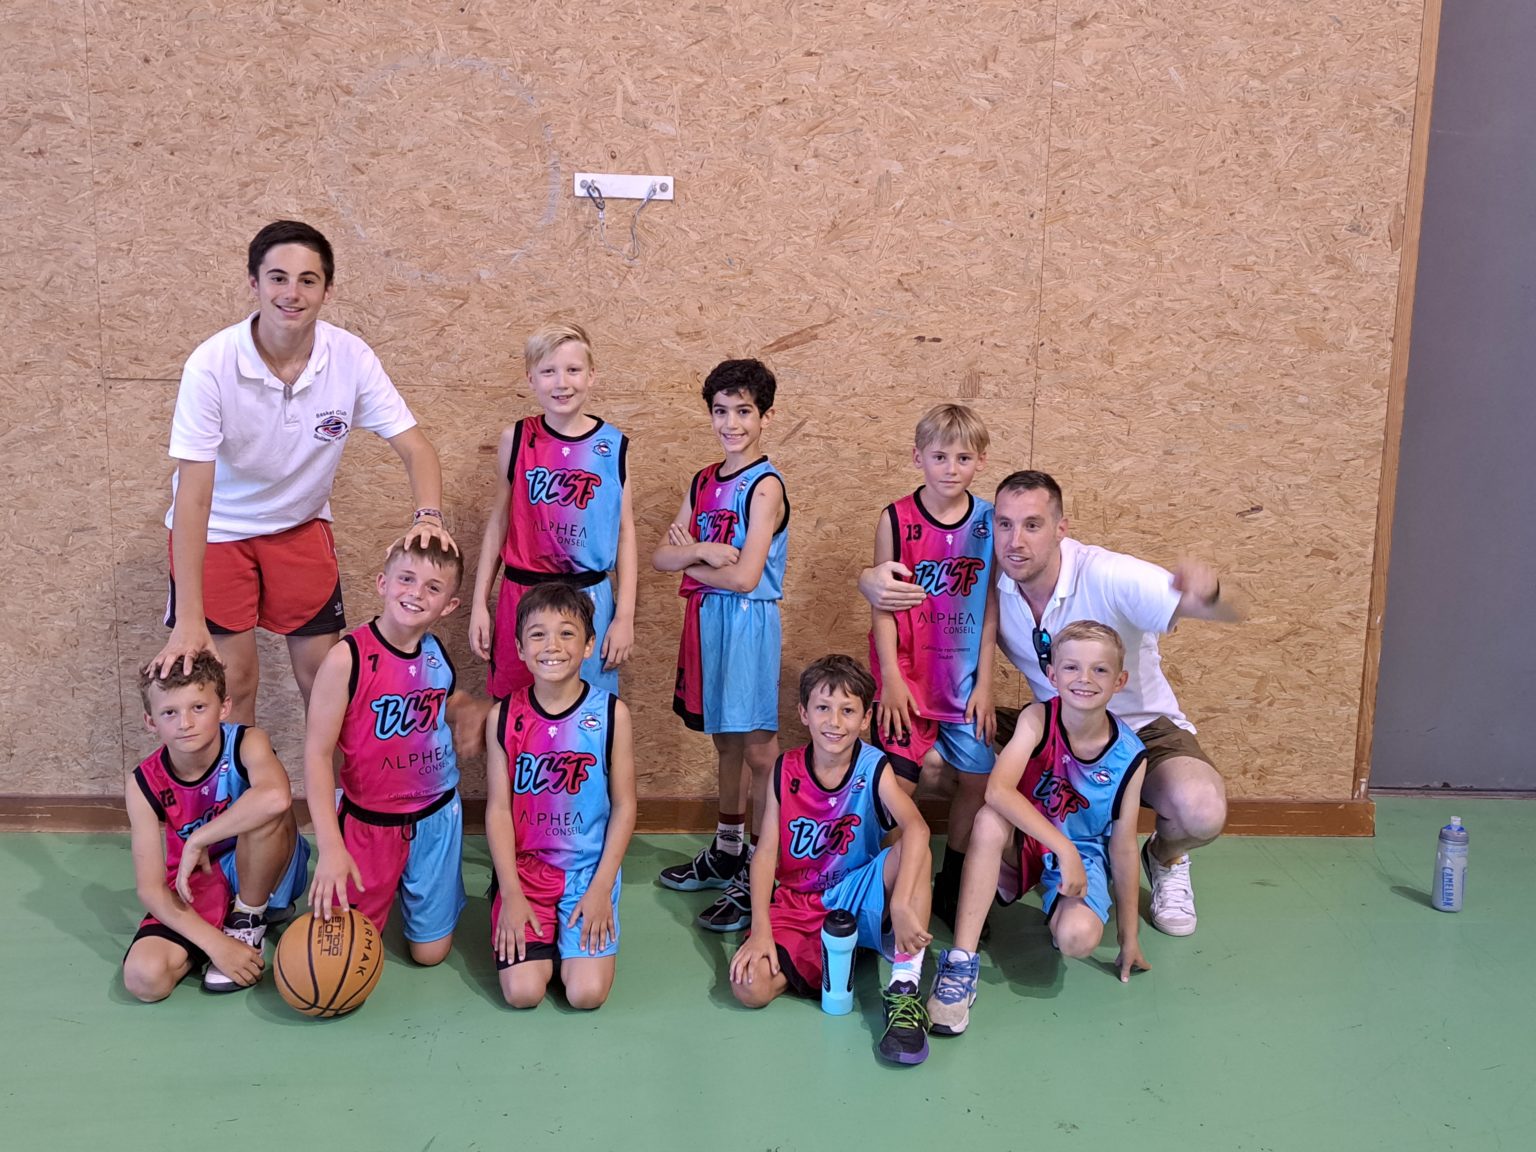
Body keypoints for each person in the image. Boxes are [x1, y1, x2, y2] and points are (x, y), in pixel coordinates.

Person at [860, 469, 1239, 936]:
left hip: (1139, 729)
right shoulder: (992, 579)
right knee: (934, 762)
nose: (1015, 541)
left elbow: (1215, 606)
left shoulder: (1107, 574)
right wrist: (868, 580)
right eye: (1004, 524)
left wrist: (1209, 595)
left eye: (1033, 525)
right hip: (1051, 729)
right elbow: (925, 579)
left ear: (1061, 528)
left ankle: (1165, 857)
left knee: (1200, 810)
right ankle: (1021, 856)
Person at [147, 220, 454, 722]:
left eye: (308, 280)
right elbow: (194, 496)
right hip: (219, 530)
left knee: (324, 680)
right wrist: (187, 619)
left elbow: (415, 447)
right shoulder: (211, 364)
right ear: (254, 283)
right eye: (278, 278)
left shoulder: (350, 356)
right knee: (235, 681)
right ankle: (243, 776)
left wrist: (429, 516)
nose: (292, 293)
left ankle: (330, 778)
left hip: (300, 525)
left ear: (327, 290)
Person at [926, 622, 1149, 1036]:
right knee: (990, 820)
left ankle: (1060, 911)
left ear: (1119, 681)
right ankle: (960, 962)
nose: (1084, 679)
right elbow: (997, 790)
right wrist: (1062, 847)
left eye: (1100, 670)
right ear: (1052, 675)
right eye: (1071, 667)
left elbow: (1122, 846)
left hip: (1084, 853)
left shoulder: (1130, 756)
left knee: (1076, 939)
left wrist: (1128, 936)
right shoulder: (1037, 719)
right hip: (1030, 840)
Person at [729, 655, 935, 1066]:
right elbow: (765, 852)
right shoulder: (784, 769)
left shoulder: (873, 766)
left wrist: (898, 903)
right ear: (804, 713)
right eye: (823, 708)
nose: (834, 722)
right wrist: (761, 931)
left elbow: (918, 829)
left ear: (865, 718)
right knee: (749, 988)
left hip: (855, 892)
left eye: (847, 711)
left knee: (917, 850)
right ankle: (839, 953)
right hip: (798, 904)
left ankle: (904, 988)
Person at [652, 359, 788, 933]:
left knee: (759, 750)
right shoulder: (703, 480)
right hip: (707, 622)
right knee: (726, 742)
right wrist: (702, 552)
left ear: (765, 417)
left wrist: (690, 565)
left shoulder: (766, 486)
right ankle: (729, 849)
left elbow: (747, 577)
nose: (731, 423)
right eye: (721, 411)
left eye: (744, 412)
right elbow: (662, 555)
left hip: (748, 624)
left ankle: (766, 866)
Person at [303, 537, 479, 966]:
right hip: (370, 822)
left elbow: (444, 701)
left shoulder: (436, 654)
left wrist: (468, 709)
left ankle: (412, 883)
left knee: (430, 954)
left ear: (449, 606)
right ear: (383, 583)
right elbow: (317, 754)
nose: (416, 593)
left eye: (433, 588)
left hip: (437, 817)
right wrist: (330, 846)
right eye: (406, 579)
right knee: (338, 957)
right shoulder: (347, 659)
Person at [868, 403, 997, 930]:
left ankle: (952, 883)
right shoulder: (896, 519)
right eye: (939, 456)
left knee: (978, 781)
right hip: (907, 677)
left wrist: (985, 683)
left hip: (963, 682)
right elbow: (881, 605)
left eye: (963, 458)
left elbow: (990, 608)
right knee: (898, 789)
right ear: (917, 457)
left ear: (980, 461)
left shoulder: (990, 522)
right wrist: (890, 680)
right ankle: (896, 882)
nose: (950, 468)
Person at [483, 583, 637, 1010]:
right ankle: (543, 939)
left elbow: (625, 807)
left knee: (586, 994)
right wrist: (511, 893)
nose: (552, 645)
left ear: (588, 645)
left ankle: (565, 946)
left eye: (567, 633)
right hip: (526, 875)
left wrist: (601, 888)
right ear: (519, 648)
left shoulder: (611, 714)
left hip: (586, 873)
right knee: (523, 993)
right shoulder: (502, 716)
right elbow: (498, 810)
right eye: (538, 634)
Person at [122, 653, 310, 1001]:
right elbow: (150, 889)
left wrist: (198, 838)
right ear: (151, 721)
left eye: (198, 707)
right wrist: (214, 944)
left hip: (270, 867)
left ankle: (247, 919)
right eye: (169, 713)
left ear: (224, 707)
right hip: (200, 882)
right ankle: (218, 934)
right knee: (144, 979)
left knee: (263, 805)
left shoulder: (247, 742)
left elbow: (276, 797)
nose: (185, 723)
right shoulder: (143, 784)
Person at [468, 321, 636, 699]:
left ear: (591, 375)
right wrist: (480, 603)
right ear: (531, 378)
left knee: (587, 709)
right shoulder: (516, 438)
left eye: (573, 370)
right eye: (548, 371)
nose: (562, 383)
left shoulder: (613, 446)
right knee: (514, 707)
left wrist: (624, 615)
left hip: (589, 599)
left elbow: (625, 532)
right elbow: (499, 522)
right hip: (522, 595)